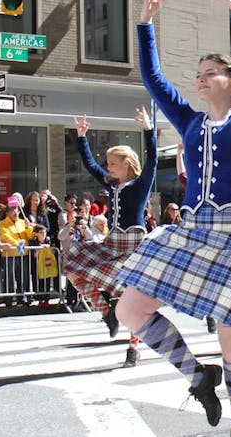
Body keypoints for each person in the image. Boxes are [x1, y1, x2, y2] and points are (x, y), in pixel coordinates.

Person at [115, 0, 231, 435]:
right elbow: (154, 81)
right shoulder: (190, 122)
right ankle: (198, 376)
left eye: (211, 71)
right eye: (198, 72)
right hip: (192, 232)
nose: (201, 77)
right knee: (129, 311)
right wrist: (144, 22)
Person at [62, 107, 157, 368]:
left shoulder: (140, 184)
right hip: (112, 243)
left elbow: (153, 159)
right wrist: (82, 137)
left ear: (126, 163)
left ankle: (134, 347)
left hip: (134, 244)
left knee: (133, 296)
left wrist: (148, 129)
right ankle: (107, 312)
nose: (108, 167)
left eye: (113, 163)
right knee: (72, 268)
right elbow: (91, 166)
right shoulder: (111, 185)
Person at [0, 197, 35, 304]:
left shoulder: (22, 222)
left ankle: (21, 297)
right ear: (7, 213)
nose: (15, 213)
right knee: (9, 277)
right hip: (10, 255)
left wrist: (28, 227)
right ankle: (8, 299)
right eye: (13, 211)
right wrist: (18, 244)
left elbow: (30, 236)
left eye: (17, 210)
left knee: (23, 277)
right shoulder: (2, 224)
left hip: (23, 254)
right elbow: (5, 237)